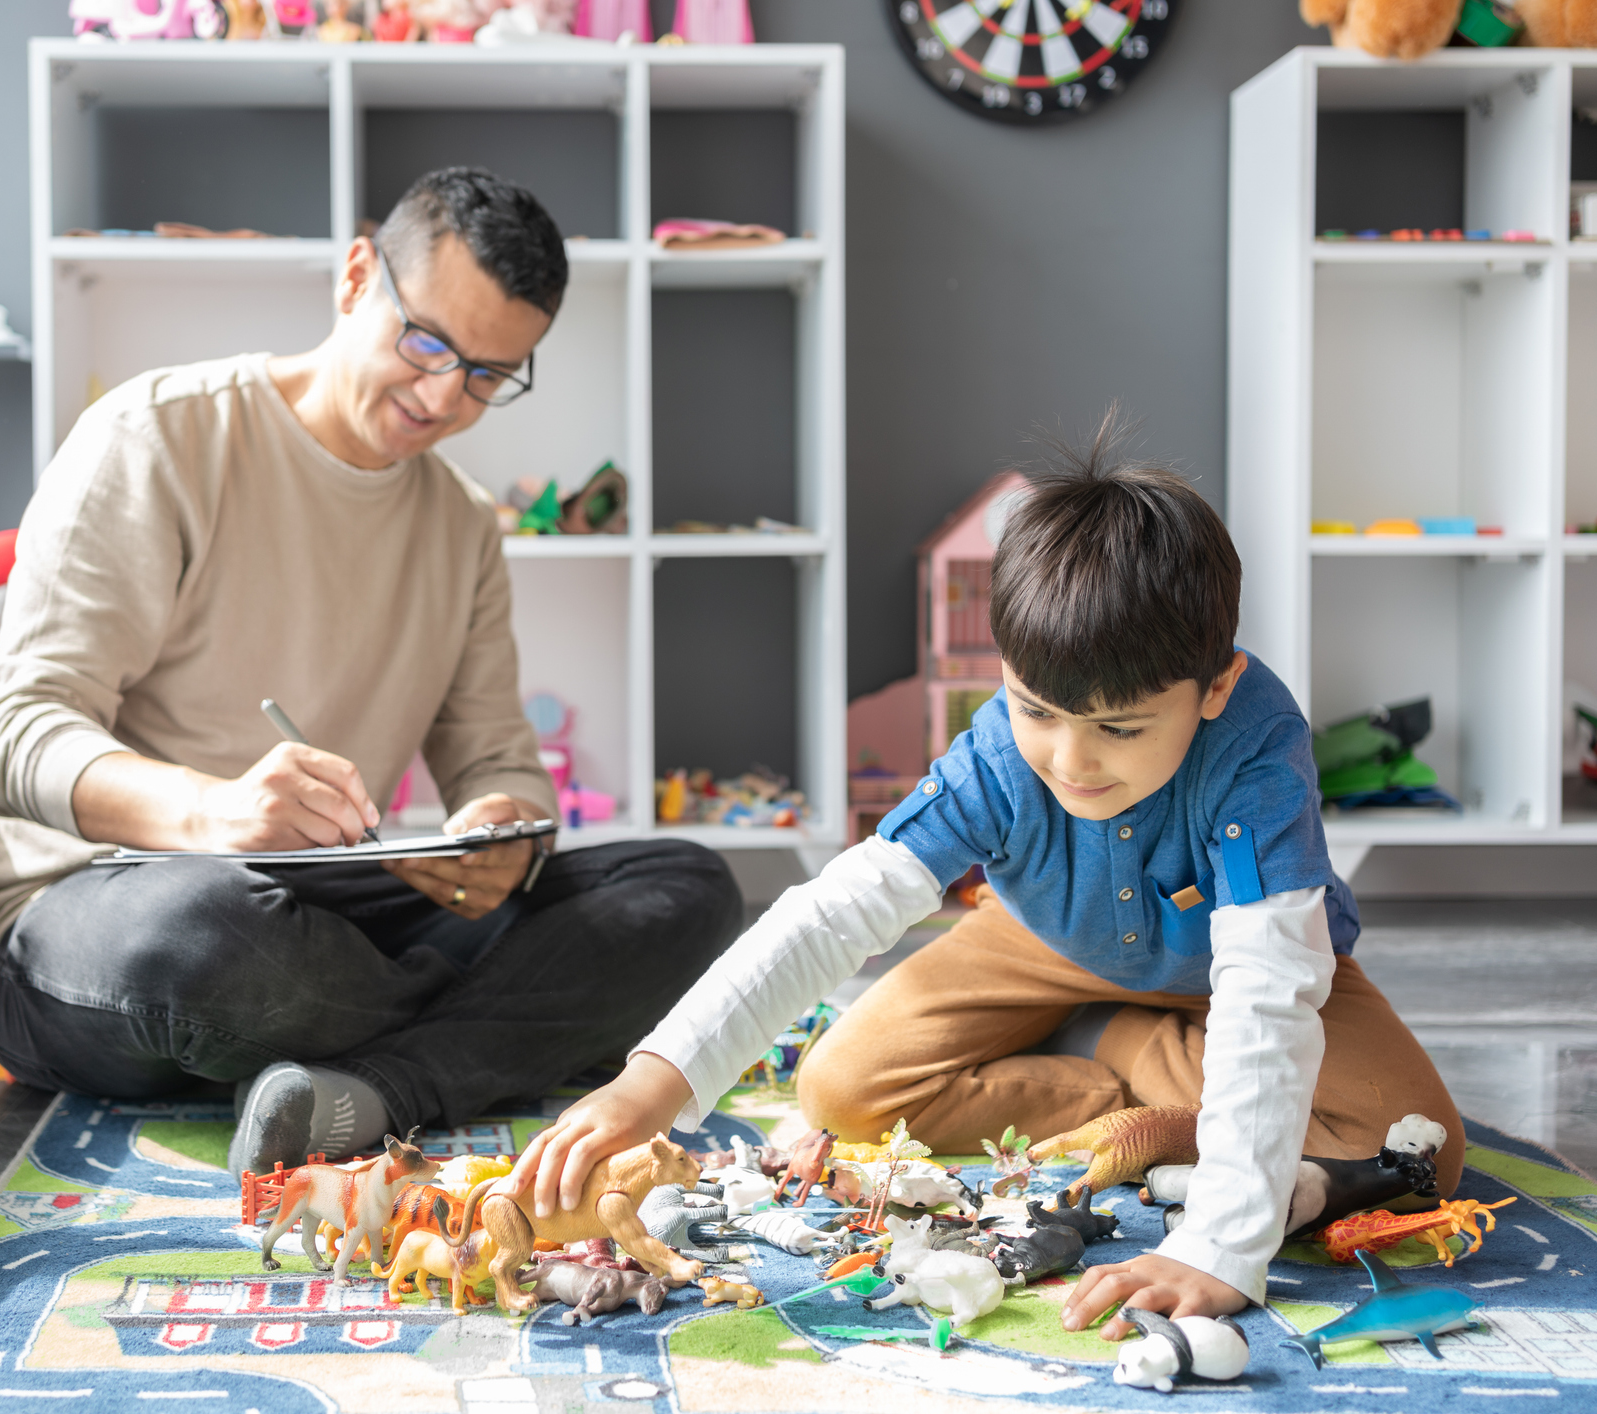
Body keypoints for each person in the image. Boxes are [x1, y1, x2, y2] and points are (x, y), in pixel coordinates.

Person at [506, 419, 1463, 1340]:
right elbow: (834, 914)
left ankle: (1134, 1048)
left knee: (1417, 1145)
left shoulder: (1255, 750)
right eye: (1036, 709)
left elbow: (1266, 990)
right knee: (839, 1089)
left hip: (1228, 972)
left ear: (1214, 688)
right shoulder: (1002, 755)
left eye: (1120, 728)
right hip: (1039, 942)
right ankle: (1118, 1069)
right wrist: (652, 1084)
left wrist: (1221, 1245)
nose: (1071, 759)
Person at [0, 167, 743, 1176]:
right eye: (425, 343)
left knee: (685, 888)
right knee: (203, 938)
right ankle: (469, 1040)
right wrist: (213, 814)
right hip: (99, 914)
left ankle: (369, 1090)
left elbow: (498, 760)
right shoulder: (158, 434)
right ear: (354, 277)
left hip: (325, 912)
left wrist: (494, 836)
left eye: (486, 375)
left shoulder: (459, 524)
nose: (441, 396)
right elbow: (13, 734)